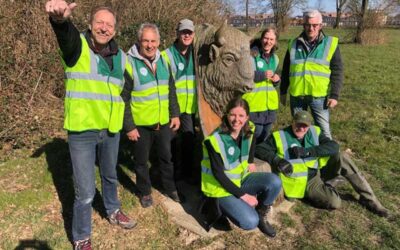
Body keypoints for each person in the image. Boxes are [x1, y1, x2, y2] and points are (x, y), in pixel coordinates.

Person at [45, 1, 136, 249]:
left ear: (115, 31)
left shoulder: (122, 57)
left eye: (109, 25)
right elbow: (67, 36)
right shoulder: (78, 48)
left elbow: (124, 90)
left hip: (110, 130)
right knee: (85, 192)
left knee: (109, 176)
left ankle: (113, 210)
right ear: (90, 25)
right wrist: (61, 21)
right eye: (100, 23)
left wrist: (121, 116)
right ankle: (82, 237)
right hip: (83, 131)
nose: (104, 28)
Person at [255, 111, 390, 218]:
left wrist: (308, 152)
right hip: (300, 183)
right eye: (298, 124)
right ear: (292, 122)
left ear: (309, 125)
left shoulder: (314, 132)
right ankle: (329, 185)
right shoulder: (280, 135)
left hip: (315, 173)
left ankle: (370, 200)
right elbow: (259, 149)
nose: (301, 128)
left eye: (305, 126)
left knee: (342, 156)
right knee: (335, 203)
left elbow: (333, 146)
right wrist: (277, 160)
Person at [201, 97, 282, 237]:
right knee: (250, 222)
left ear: (247, 117)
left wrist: (250, 161)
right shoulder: (215, 141)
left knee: (274, 181)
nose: (236, 119)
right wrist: (244, 196)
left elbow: (253, 142)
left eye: (241, 116)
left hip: (240, 179)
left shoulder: (249, 127)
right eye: (232, 114)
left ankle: (261, 213)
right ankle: (216, 206)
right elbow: (219, 174)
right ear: (226, 115)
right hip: (219, 189)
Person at [122, 23, 181, 208]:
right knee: (140, 162)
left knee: (166, 158)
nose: (150, 45)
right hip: (140, 126)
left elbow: (171, 90)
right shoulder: (129, 63)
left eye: (153, 41)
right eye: (146, 41)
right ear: (139, 41)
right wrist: (129, 126)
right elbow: (123, 98)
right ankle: (145, 192)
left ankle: (170, 188)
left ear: (159, 42)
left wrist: (175, 114)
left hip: (162, 122)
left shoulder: (164, 60)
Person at [280, 10, 344, 139]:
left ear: (320, 26)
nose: (311, 28)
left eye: (315, 25)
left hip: (319, 98)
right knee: (298, 131)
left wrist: (334, 95)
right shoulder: (292, 44)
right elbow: (286, 70)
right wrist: (282, 91)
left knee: (324, 132)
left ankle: (328, 157)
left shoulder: (330, 43)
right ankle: (301, 156)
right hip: (297, 96)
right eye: (308, 25)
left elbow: (337, 70)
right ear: (303, 25)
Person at [161, 19, 198, 184]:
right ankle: (174, 178)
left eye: (189, 32)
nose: (187, 35)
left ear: (194, 34)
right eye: (184, 32)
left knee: (189, 142)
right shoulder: (166, 55)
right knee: (173, 145)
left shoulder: (197, 55)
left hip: (191, 108)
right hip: (173, 108)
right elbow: (165, 86)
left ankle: (188, 175)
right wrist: (172, 111)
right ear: (177, 33)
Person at [243, 27, 281, 144]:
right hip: (254, 103)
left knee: (265, 133)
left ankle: (258, 155)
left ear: (275, 41)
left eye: (271, 39)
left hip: (270, 104)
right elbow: (245, 75)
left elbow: (275, 81)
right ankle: (247, 155)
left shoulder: (275, 58)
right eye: (266, 38)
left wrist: (276, 79)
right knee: (256, 133)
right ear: (261, 39)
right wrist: (262, 75)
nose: (268, 42)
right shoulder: (251, 55)